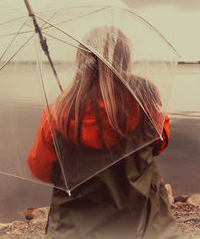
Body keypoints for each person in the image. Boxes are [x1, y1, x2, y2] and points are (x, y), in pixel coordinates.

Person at [27, 26, 180, 238]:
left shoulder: (56, 114)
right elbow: (160, 143)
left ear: (81, 60)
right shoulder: (146, 101)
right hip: (142, 224)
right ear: (125, 59)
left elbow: (40, 169)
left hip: (73, 229)